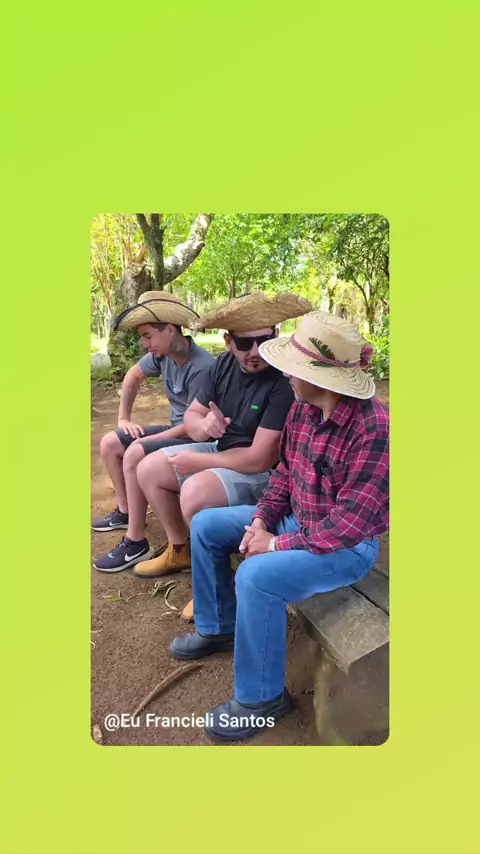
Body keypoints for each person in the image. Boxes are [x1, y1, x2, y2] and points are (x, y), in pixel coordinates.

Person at [169, 310, 390, 742]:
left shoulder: (373, 428)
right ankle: (217, 627)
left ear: (324, 379)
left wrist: (274, 545)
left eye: (294, 366)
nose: (285, 372)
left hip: (347, 547)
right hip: (297, 522)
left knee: (256, 576)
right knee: (208, 526)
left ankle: (262, 699)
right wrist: (261, 520)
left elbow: (349, 524)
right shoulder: (302, 409)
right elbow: (285, 476)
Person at [131, 293, 312, 607]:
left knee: (195, 492)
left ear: (276, 335)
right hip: (225, 450)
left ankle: (215, 587)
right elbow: (192, 416)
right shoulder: (223, 365)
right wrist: (204, 425)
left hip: (268, 475)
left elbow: (260, 459)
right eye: (244, 343)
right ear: (229, 342)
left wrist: (200, 461)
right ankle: (180, 550)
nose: (255, 352)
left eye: (265, 340)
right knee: (148, 468)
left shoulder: (283, 381)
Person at [92, 291, 215, 571]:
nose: (144, 344)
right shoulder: (163, 355)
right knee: (111, 443)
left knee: (135, 452)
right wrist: (123, 418)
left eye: (148, 336)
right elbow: (133, 375)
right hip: (175, 429)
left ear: (170, 330)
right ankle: (126, 512)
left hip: (194, 436)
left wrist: (150, 439)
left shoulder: (202, 367)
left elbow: (194, 426)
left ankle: (136, 542)